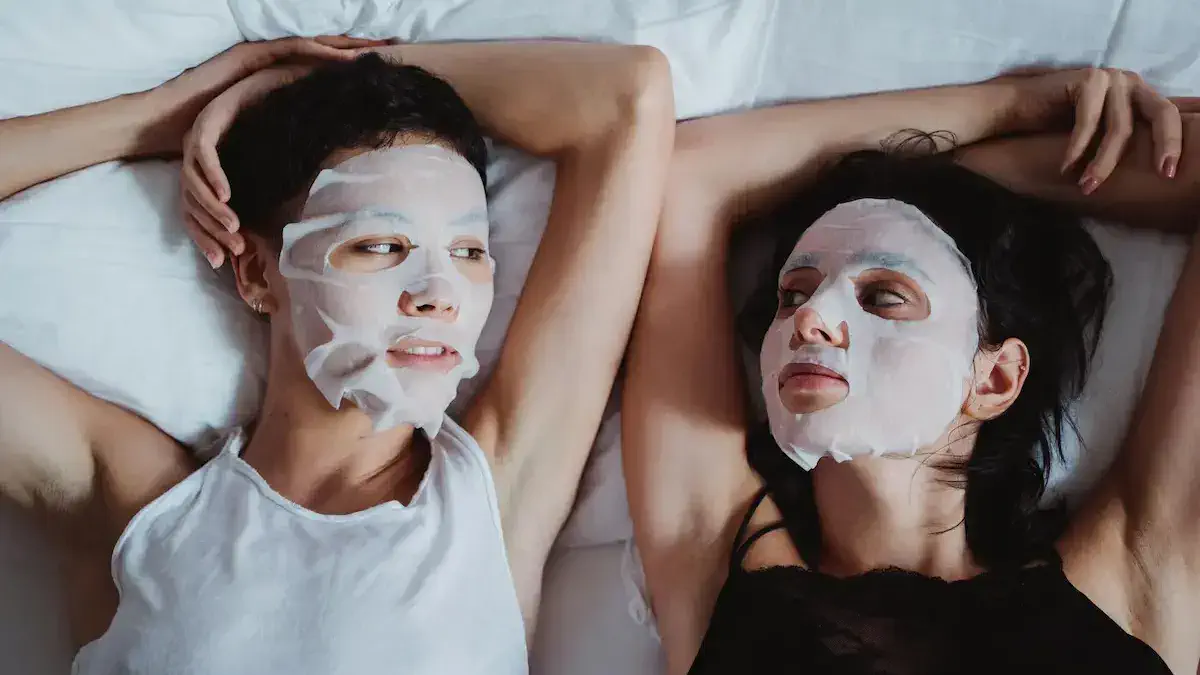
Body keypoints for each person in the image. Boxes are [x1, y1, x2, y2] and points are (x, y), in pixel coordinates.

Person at [0, 37, 674, 673]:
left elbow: (629, 97)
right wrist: (169, 117)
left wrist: (315, 74)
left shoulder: (495, 500)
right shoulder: (143, 508)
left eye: (468, 252)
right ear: (257, 274)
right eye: (380, 246)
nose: (439, 293)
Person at [624, 68, 1200, 674]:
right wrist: (1012, 106)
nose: (809, 318)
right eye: (793, 294)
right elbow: (689, 179)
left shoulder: (1136, 575)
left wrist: (958, 175)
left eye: (882, 297)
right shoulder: (717, 562)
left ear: (995, 379)